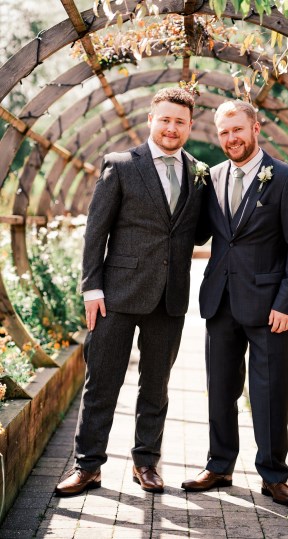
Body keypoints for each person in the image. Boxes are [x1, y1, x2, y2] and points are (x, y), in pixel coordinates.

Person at [55, 87, 204, 496]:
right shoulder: (120, 165)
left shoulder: (199, 173)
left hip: (169, 298)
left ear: (191, 126)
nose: (172, 128)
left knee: (156, 387)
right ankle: (87, 467)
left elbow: (200, 230)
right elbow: (95, 231)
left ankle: (146, 463)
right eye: (165, 119)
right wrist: (91, 289)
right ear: (151, 121)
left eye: (180, 121)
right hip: (116, 295)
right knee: (102, 383)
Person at [182, 101, 288, 506]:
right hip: (219, 300)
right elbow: (201, 232)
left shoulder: (287, 179)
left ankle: (273, 474)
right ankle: (219, 465)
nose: (231, 139)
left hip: (269, 306)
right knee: (219, 389)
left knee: (270, 392)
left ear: (255, 128)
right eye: (223, 132)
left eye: (237, 129)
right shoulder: (213, 177)